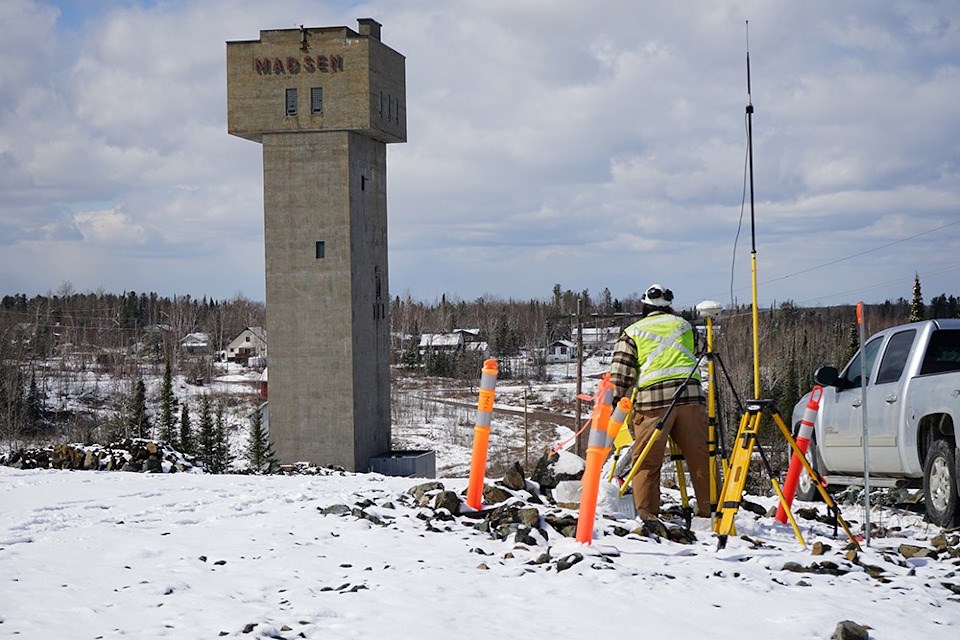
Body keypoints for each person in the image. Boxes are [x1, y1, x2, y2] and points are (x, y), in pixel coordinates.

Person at [610, 283, 712, 519]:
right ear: (670, 306)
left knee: (647, 461)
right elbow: (703, 351)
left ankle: (647, 514)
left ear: (644, 306)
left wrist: (618, 401)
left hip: (653, 404)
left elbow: (620, 374)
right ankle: (711, 512)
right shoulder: (685, 326)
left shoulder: (632, 332)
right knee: (700, 459)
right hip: (691, 398)